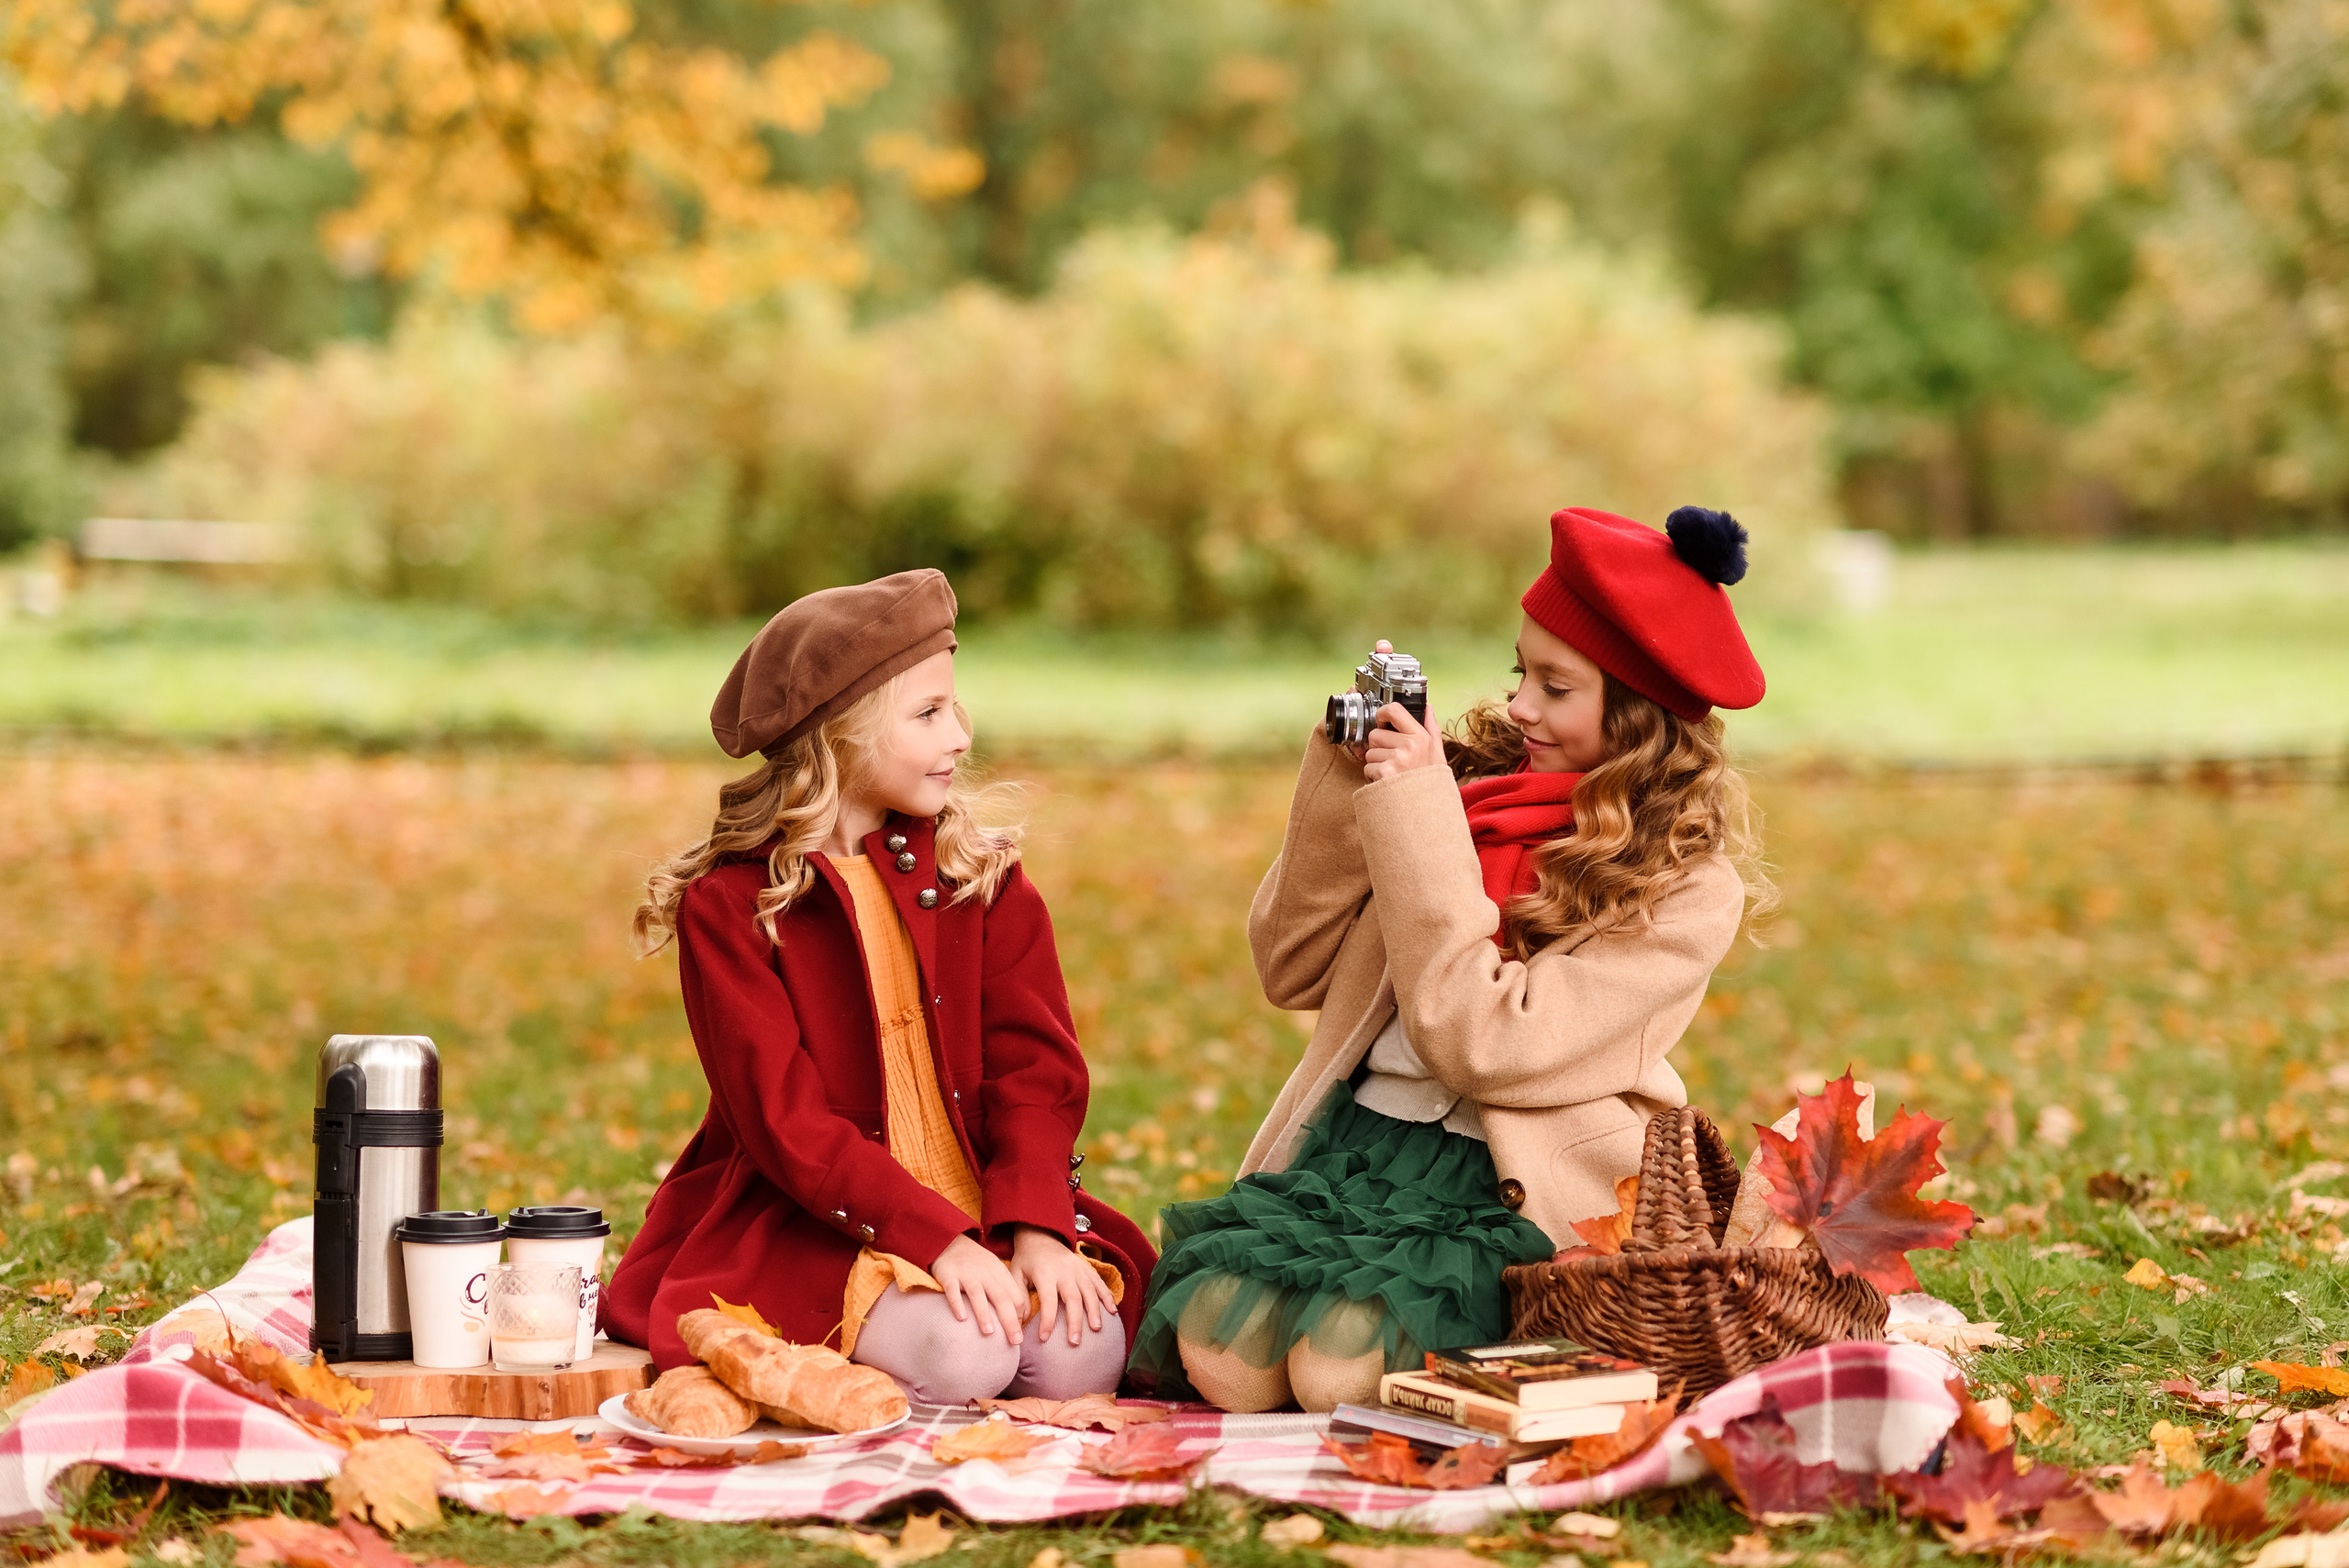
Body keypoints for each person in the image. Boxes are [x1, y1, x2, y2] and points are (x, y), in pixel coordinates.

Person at [1127, 506, 1776, 1412]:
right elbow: (1293, 967)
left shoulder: (1682, 884)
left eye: (1556, 686)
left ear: (1636, 716)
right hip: (1360, 1150)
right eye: (1522, 672)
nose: (1519, 706)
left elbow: (1480, 1041)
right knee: (1222, 1358)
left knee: (1335, 1375)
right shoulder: (1466, 795)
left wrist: (1421, 811)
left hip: (1504, 1184)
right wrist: (1352, 781)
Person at [605, 570, 1154, 1405]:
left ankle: (970, 1301)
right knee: (968, 1356)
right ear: (841, 733)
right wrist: (935, 1242)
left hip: (989, 1194)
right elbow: (788, 1126)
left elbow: (1034, 1069)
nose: (962, 735)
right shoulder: (733, 906)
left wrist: (1038, 1224)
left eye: (956, 706)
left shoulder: (980, 874)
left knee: (1082, 1355)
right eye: (929, 713)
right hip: (816, 1216)